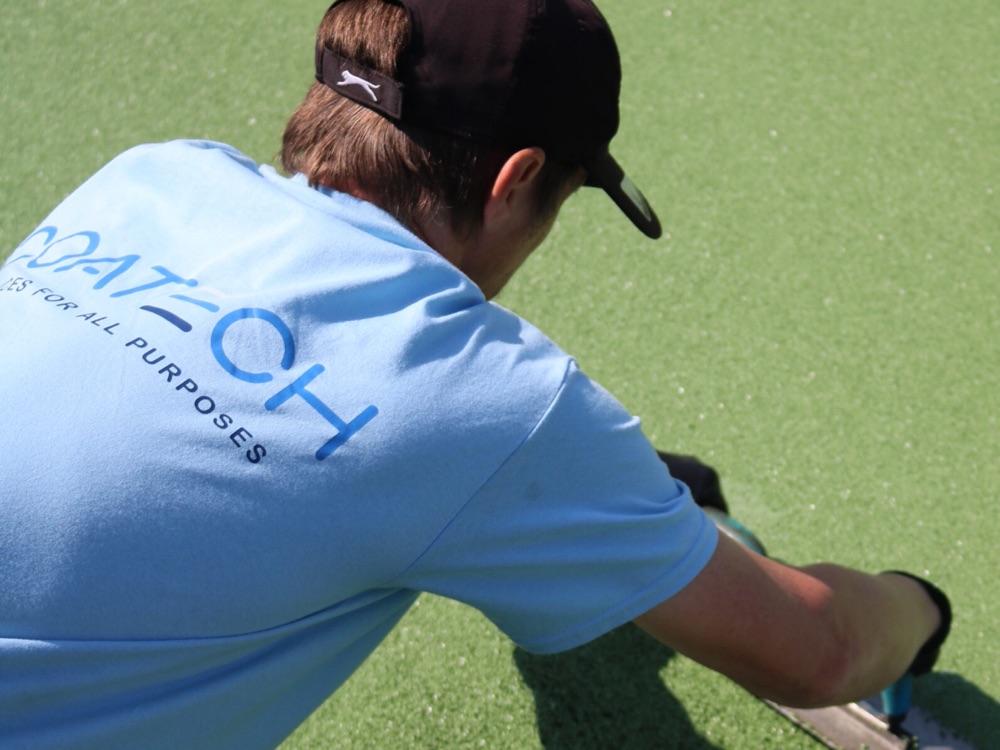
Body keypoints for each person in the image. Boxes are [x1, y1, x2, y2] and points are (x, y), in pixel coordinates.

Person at [0, 0, 950, 748]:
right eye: (562, 202)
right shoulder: (480, 401)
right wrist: (918, 607)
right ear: (514, 179)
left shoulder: (150, 181)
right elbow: (819, 654)